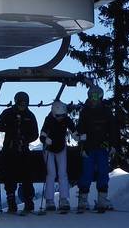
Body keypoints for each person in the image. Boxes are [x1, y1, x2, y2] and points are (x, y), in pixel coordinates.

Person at [0, 91, 39, 214]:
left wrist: (25, 138)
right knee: (9, 175)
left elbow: (35, 134)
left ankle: (28, 201)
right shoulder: (8, 113)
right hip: (9, 149)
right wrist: (11, 128)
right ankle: (11, 202)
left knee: (27, 176)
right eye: (21, 103)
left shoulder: (30, 115)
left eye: (25, 104)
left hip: (23, 149)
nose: (23, 106)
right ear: (16, 102)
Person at [76, 84, 118, 213]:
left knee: (103, 172)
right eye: (91, 96)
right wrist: (82, 147)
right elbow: (80, 129)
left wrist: (113, 145)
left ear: (100, 97)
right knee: (86, 173)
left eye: (96, 96)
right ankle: (83, 200)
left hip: (102, 147)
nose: (94, 99)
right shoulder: (85, 111)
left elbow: (113, 129)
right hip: (88, 148)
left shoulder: (106, 111)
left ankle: (102, 200)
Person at [40, 100, 76, 213]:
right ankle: (49, 200)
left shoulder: (67, 119)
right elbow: (42, 135)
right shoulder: (49, 119)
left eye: (62, 115)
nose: (60, 118)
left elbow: (73, 130)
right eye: (58, 116)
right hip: (49, 149)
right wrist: (45, 140)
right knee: (51, 173)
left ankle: (64, 199)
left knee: (63, 173)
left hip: (61, 147)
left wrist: (77, 136)